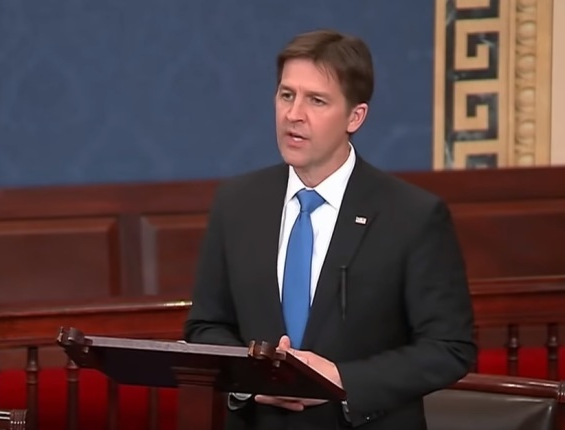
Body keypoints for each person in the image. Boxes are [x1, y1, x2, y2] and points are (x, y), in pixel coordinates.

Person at [184, 28, 475, 430]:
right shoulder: (236, 203)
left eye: (316, 101)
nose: (293, 114)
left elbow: (449, 348)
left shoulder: (412, 216)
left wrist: (341, 380)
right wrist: (251, 382)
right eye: (287, 95)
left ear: (355, 116)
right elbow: (205, 326)